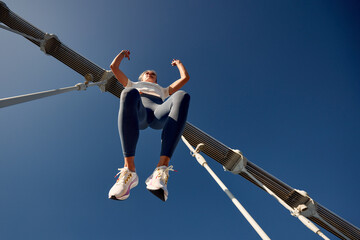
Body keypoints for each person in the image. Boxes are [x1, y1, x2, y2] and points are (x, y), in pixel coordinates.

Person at [108, 50, 190, 201]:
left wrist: (178, 63)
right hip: (141, 114)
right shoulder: (134, 84)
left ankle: (161, 168)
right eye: (147, 73)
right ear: (142, 77)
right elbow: (114, 68)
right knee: (128, 92)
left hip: (159, 114)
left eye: (153, 74)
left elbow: (185, 78)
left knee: (182, 95)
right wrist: (121, 55)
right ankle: (129, 170)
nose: (150, 73)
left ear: (157, 80)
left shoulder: (163, 90)